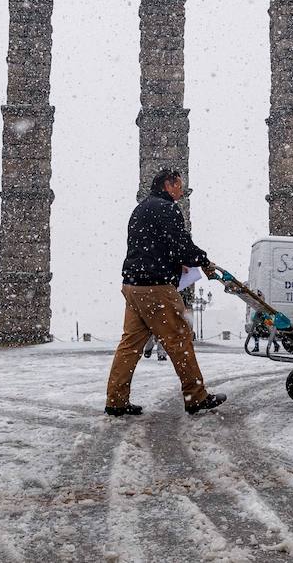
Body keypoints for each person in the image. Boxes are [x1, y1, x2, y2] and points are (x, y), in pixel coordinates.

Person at [104, 167, 226, 417]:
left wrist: (174, 260)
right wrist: (203, 260)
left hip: (133, 286)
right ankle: (196, 397)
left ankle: (116, 400)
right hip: (156, 288)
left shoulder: (141, 209)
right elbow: (180, 244)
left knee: (129, 346)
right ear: (168, 184)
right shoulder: (167, 208)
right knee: (180, 340)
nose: (182, 191)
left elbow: (156, 246)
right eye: (179, 185)